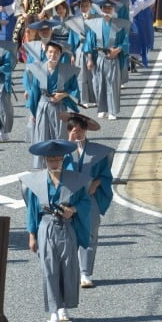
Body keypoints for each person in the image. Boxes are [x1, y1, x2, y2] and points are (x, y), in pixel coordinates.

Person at [20, 139, 91, 322]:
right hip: (46, 226)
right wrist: (32, 235)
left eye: (58, 159)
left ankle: (64, 307)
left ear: (63, 159)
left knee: (68, 267)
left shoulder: (74, 179)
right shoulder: (37, 181)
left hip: (67, 226)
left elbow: (86, 202)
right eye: (50, 160)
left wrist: (73, 210)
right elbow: (32, 211)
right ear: (44, 160)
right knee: (49, 268)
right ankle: (53, 311)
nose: (54, 163)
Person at [62, 112, 114, 288]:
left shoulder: (97, 152)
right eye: (72, 129)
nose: (77, 132)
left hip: (88, 197)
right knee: (67, 235)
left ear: (85, 130)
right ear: (67, 130)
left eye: (80, 129)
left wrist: (97, 183)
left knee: (90, 233)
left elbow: (106, 176)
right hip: (66, 198)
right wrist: (68, 145)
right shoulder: (60, 151)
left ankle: (85, 273)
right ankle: (69, 271)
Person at [25, 39, 80, 156]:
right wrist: (32, 112)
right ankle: (44, 164)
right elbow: (34, 92)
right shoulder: (39, 69)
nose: (53, 55)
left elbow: (74, 88)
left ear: (60, 54)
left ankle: (62, 162)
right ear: (46, 53)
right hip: (43, 106)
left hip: (60, 106)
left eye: (56, 52)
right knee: (43, 136)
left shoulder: (66, 69)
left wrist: (63, 94)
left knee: (60, 135)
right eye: (50, 52)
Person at [85, 0, 130, 120]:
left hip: (113, 57)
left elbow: (125, 41)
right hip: (99, 57)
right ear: (101, 9)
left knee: (113, 84)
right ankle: (102, 108)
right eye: (105, 8)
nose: (107, 10)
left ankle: (112, 110)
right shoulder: (94, 24)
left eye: (110, 8)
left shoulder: (119, 24)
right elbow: (89, 42)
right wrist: (89, 59)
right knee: (99, 84)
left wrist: (117, 50)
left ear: (113, 10)